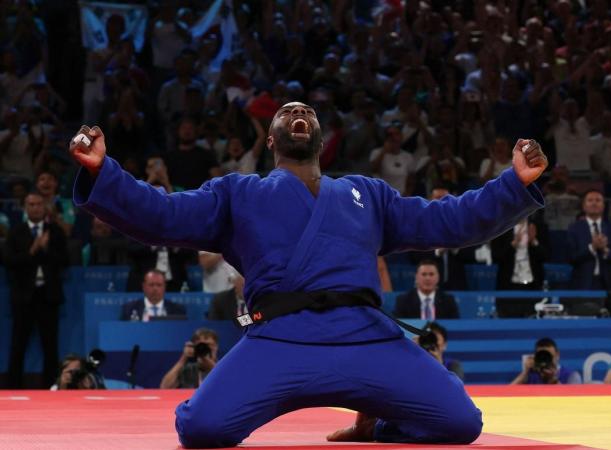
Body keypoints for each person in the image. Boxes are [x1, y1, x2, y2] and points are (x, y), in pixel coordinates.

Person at [70, 102, 547, 447]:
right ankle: (367, 414)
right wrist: (102, 174)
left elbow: (448, 221)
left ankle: (373, 426)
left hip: (365, 337)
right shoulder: (238, 193)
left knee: (461, 423)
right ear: (272, 139)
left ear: (321, 140)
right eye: (288, 114)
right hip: (281, 339)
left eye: (310, 114)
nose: (300, 115)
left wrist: (513, 183)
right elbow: (163, 213)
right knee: (200, 429)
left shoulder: (367, 195)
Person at [5, 192, 69, 388]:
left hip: (47, 297)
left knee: (50, 347)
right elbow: (9, 261)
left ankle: (51, 386)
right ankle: (13, 388)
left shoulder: (55, 231)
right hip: (24, 297)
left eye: (39, 204)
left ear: (45, 207)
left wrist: (47, 248)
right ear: (25, 208)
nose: (35, 208)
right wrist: (33, 249)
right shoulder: (16, 232)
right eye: (31, 204)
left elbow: (65, 261)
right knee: (18, 346)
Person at [567, 189, 611, 289]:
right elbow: (571, 258)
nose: (594, 203)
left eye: (598, 200)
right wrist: (592, 248)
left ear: (603, 206)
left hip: (609, 285)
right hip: (582, 284)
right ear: (584, 206)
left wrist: (606, 250)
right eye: (590, 200)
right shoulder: (574, 229)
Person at [393, 259, 460, 319]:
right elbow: (399, 327)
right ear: (416, 277)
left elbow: (455, 326)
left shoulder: (449, 301)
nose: (427, 278)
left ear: (438, 277)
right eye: (424, 274)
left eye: (431, 274)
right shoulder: (403, 301)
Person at [120, 270, 187, 321]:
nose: (155, 289)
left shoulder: (178, 310)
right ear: (143, 286)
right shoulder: (128, 309)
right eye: (151, 285)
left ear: (164, 287)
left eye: (159, 285)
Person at [511, 338, 582, 385]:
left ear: (557, 355)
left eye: (549, 356)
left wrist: (554, 381)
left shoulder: (571, 375)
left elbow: (573, 402)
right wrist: (525, 373)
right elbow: (507, 396)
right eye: (542, 357)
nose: (546, 360)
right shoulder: (529, 376)